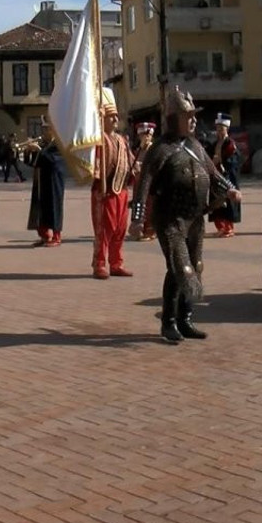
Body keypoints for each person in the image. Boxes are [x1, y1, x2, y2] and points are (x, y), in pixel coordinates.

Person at [136, 86, 240, 344]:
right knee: (179, 268)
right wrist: (137, 219)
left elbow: (214, 174)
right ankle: (168, 322)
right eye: (188, 116)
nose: (193, 120)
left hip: (195, 218)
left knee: (196, 266)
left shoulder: (195, 145)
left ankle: (186, 319)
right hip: (170, 219)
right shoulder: (160, 149)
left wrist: (229, 190)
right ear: (174, 119)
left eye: (194, 116)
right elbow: (143, 186)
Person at [91, 87, 134, 279]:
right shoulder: (98, 139)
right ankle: (99, 263)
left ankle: (116, 263)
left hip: (121, 189)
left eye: (116, 116)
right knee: (104, 229)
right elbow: (94, 162)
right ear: (103, 119)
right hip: (105, 191)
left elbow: (129, 159)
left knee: (120, 229)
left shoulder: (122, 139)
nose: (115, 119)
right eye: (111, 116)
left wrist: (136, 167)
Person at [27, 120, 65, 247]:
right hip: (43, 180)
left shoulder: (58, 144)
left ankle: (56, 236)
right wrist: (31, 151)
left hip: (54, 181)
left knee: (54, 207)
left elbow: (53, 160)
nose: (43, 132)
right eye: (43, 129)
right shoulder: (45, 144)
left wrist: (39, 150)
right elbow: (35, 162)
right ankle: (44, 235)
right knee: (42, 207)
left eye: (46, 129)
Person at [208, 113, 241, 238]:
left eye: (221, 128)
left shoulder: (230, 144)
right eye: (217, 129)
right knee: (216, 202)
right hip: (216, 176)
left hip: (227, 177)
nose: (219, 131)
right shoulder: (215, 143)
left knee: (228, 202)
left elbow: (234, 161)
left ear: (227, 129)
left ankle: (229, 228)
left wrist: (221, 160)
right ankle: (220, 226)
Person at [128, 122, 157, 241]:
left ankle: (150, 230)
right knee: (138, 205)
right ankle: (139, 228)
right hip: (138, 182)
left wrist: (142, 166)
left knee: (149, 206)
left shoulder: (153, 149)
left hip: (149, 183)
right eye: (142, 135)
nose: (144, 138)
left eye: (147, 135)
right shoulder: (139, 150)